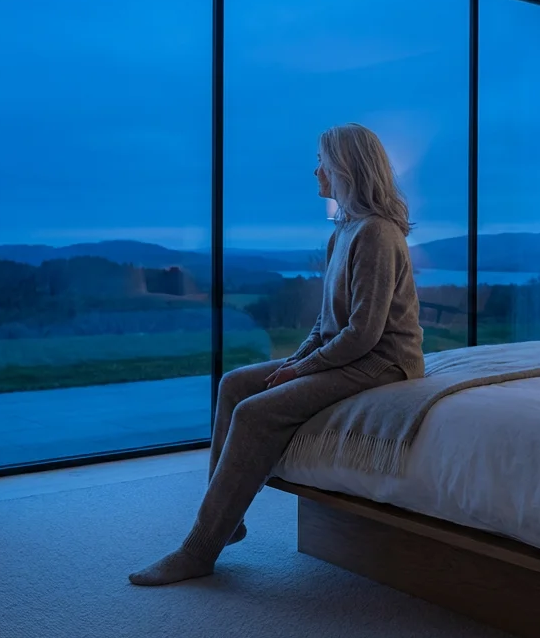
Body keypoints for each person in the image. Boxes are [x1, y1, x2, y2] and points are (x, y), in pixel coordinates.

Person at [130, 123, 426, 586]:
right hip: (349, 351)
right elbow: (326, 324)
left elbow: (364, 335)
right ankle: (228, 523)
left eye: (322, 163)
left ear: (345, 168)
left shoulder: (377, 235)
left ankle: (199, 548)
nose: (315, 172)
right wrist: (296, 360)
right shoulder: (343, 232)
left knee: (254, 413)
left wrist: (303, 369)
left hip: (382, 362)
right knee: (234, 384)